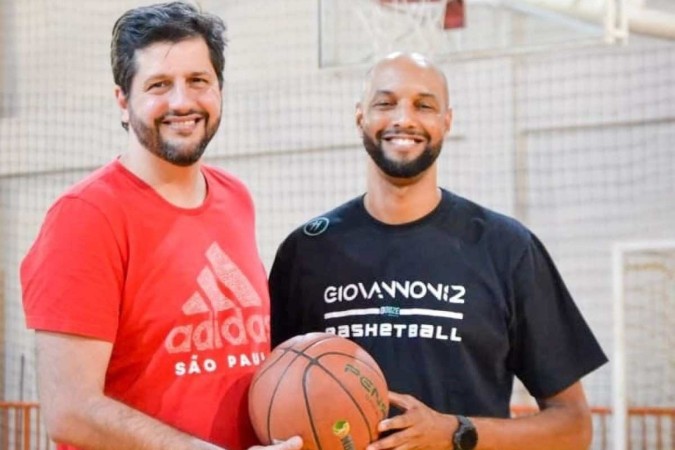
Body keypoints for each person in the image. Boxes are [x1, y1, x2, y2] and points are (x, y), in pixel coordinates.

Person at [268, 52, 607, 450]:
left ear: (446, 120)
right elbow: (266, 394)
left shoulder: (507, 248)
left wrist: (456, 432)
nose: (404, 118)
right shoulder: (306, 251)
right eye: (385, 103)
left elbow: (573, 427)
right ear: (360, 116)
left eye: (424, 105)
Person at [20, 3, 302, 450]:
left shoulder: (236, 199)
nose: (182, 102)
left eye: (198, 81)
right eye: (158, 85)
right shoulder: (84, 217)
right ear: (123, 99)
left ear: (219, 89)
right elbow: (69, 410)